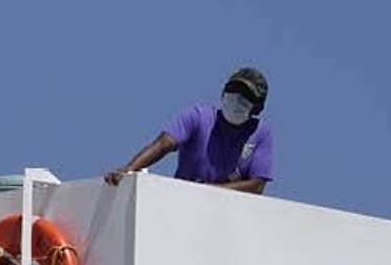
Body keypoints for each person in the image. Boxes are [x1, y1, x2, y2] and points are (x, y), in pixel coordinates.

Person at [103, 67, 274, 194]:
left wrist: (209, 190)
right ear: (223, 93)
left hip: (229, 218)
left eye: (246, 97)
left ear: (257, 108)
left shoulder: (261, 133)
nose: (237, 99)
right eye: (234, 91)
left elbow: (257, 185)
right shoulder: (198, 117)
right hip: (183, 203)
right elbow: (163, 144)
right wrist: (129, 169)